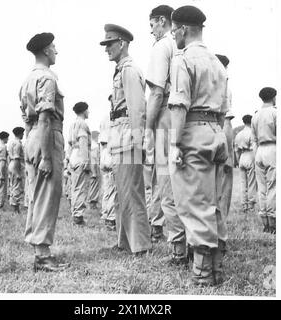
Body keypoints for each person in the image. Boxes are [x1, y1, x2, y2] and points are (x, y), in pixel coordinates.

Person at [168, 6, 229, 285]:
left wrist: (174, 143)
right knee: (213, 203)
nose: (172, 33)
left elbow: (179, 105)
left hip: (192, 132)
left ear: (183, 29)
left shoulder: (183, 59)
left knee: (193, 203)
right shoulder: (216, 62)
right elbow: (224, 109)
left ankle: (203, 274)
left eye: (174, 28)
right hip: (215, 131)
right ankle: (214, 267)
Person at [100, 23, 152, 254]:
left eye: (109, 44)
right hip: (120, 138)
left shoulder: (129, 70)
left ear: (122, 43)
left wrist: (138, 141)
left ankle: (140, 245)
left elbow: (137, 109)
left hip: (128, 139)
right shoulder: (121, 70)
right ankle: (125, 242)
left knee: (132, 192)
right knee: (123, 192)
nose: (106, 48)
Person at [19, 32, 68, 271]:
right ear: (47, 51)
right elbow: (47, 118)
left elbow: (28, 118)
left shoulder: (28, 79)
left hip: (32, 137)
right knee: (47, 195)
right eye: (54, 47)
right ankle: (42, 254)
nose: (56, 51)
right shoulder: (47, 78)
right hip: (47, 137)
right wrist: (47, 157)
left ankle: (40, 250)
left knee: (36, 196)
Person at [145, 5, 187, 262]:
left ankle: (178, 247)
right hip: (183, 116)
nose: (151, 30)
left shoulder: (162, 46)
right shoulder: (182, 45)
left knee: (165, 182)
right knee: (182, 181)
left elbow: (157, 92)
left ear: (162, 21)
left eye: (151, 25)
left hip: (164, 115)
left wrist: (148, 128)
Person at [251, 87, 277, 234]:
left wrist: (256, 155)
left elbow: (253, 139)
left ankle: (265, 222)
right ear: (274, 98)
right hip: (272, 148)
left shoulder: (256, 115)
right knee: (273, 187)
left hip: (259, 151)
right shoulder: (275, 112)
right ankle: (273, 223)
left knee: (262, 188)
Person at [216, 54, 234, 218]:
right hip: (221, 139)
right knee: (225, 184)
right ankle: (221, 224)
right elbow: (227, 123)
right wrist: (229, 154)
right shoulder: (225, 87)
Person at [68, 102, 91, 225]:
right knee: (81, 188)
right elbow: (83, 142)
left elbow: (69, 144)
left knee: (74, 187)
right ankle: (78, 216)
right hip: (80, 155)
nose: (89, 112)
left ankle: (75, 214)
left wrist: (67, 160)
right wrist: (86, 161)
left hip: (73, 155)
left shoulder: (72, 124)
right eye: (87, 110)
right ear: (84, 111)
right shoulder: (83, 124)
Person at [235, 115, 257, 213]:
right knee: (251, 182)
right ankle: (251, 206)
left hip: (242, 157)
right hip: (250, 155)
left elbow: (236, 150)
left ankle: (244, 205)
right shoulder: (252, 133)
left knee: (243, 183)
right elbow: (254, 147)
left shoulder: (239, 134)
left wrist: (238, 160)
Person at [99, 112, 117, 231]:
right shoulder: (114, 117)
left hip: (104, 152)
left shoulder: (104, 118)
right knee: (112, 190)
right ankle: (111, 219)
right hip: (111, 151)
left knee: (107, 188)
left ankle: (105, 213)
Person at [8, 127, 25, 213]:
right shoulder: (18, 144)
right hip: (16, 165)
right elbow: (17, 157)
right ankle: (15, 208)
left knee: (13, 186)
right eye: (22, 133)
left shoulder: (11, 142)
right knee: (17, 187)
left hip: (11, 164)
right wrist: (18, 172)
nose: (23, 135)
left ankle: (14, 206)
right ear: (20, 133)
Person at [0, 131, 9, 208]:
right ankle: (0, 203)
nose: (8, 139)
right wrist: (2, 173)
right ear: (5, 138)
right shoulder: (3, 147)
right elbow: (2, 161)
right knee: (2, 186)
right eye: (7, 138)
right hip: (1, 167)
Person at [88, 130, 101, 210]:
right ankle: (93, 203)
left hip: (94, 167)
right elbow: (93, 159)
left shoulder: (92, 145)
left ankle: (93, 202)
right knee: (94, 186)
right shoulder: (95, 146)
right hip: (94, 167)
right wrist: (94, 172)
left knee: (93, 186)